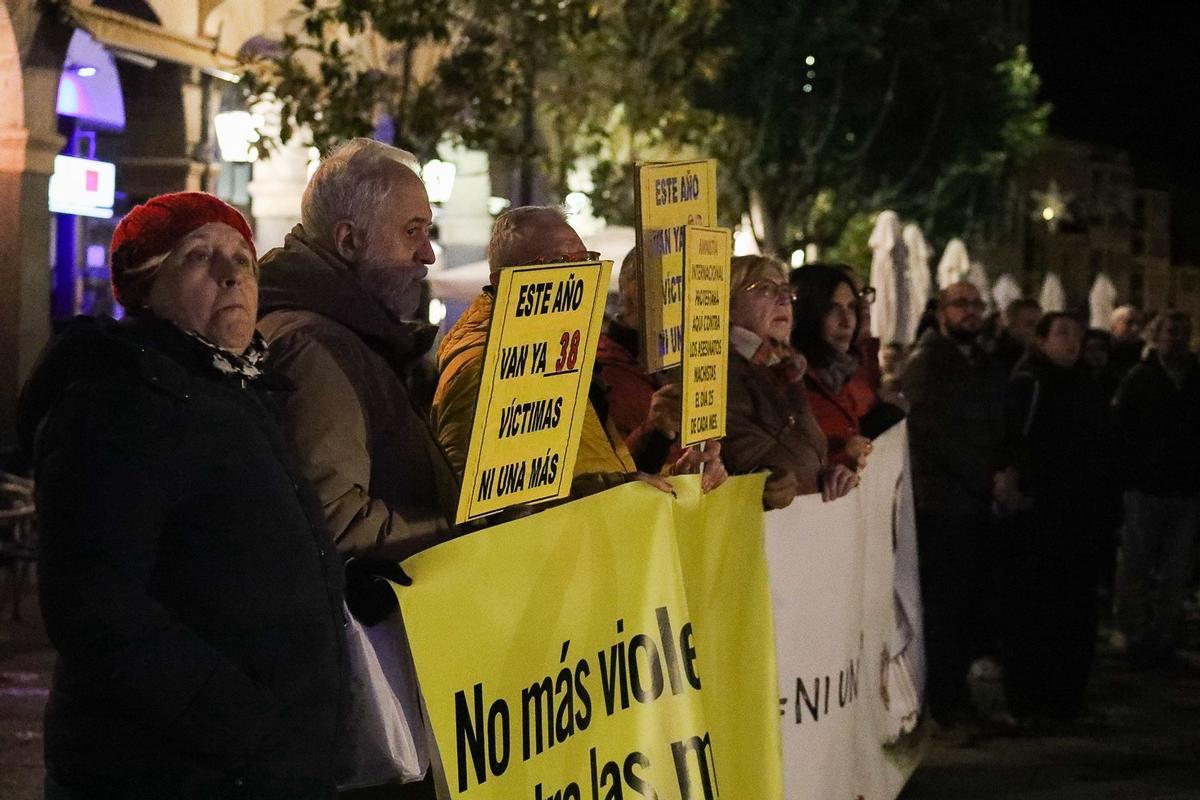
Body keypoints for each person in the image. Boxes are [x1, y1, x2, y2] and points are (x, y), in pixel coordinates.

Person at [17, 193, 345, 798]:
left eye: (242, 259)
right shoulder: (118, 402)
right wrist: (239, 720)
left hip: (257, 767)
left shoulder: (239, 391)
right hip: (173, 771)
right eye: (199, 256)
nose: (230, 274)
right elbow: (92, 604)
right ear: (145, 287)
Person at [257, 138, 460, 563]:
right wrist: (458, 535)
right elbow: (336, 521)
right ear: (348, 240)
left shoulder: (349, 334)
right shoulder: (312, 347)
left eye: (428, 232)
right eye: (412, 231)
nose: (426, 253)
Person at [432, 206, 724, 500]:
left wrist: (671, 473)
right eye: (558, 261)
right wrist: (608, 490)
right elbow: (474, 496)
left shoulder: (563, 351)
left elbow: (597, 467)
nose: (579, 274)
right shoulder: (482, 364)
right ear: (502, 280)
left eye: (584, 260)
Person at [994, 313, 1114, 719]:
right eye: (1062, 333)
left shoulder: (1087, 383)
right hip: (1038, 515)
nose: (1072, 342)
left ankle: (1066, 696)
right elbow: (1011, 438)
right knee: (1034, 609)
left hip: (1080, 516)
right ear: (1042, 340)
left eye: (1077, 334)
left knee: (1075, 611)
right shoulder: (1030, 381)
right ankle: (1029, 698)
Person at [900, 281, 1006, 724]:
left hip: (974, 501)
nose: (971, 312)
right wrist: (986, 479)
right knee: (945, 605)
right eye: (961, 304)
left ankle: (957, 691)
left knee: (969, 604)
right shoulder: (928, 362)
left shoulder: (980, 359)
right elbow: (932, 433)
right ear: (941, 311)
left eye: (976, 304)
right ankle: (943, 699)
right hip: (943, 503)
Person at [722, 255, 858, 507]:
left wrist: (832, 474)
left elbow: (802, 454)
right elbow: (755, 467)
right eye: (764, 289)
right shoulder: (724, 372)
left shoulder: (780, 366)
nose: (783, 299)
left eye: (785, 291)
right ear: (727, 305)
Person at [1113, 311, 1200, 667]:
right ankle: (1131, 628)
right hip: (1146, 486)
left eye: (1183, 331)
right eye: (1170, 331)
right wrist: (1131, 472)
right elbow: (1122, 429)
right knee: (1137, 559)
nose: (1176, 338)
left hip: (1187, 487)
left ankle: (1164, 631)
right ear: (1157, 336)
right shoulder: (1140, 378)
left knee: (1176, 568)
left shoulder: (1196, 378)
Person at [789, 263, 894, 468]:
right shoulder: (790, 381)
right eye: (832, 309)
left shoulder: (842, 376)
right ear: (808, 314)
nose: (847, 321)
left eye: (851, 308)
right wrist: (842, 457)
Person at [594, 249, 687, 474]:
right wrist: (654, 431)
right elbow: (608, 474)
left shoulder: (680, 362)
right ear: (639, 292)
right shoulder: (602, 372)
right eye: (683, 285)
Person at [991, 297, 1041, 376]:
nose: (1038, 330)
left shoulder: (1037, 353)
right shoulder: (999, 361)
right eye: (1030, 324)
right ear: (1012, 327)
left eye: (1041, 324)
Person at [1109, 304, 1146, 378]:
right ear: (1114, 325)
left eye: (1139, 323)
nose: (1136, 328)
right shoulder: (1105, 349)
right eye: (1129, 323)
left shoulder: (1145, 350)